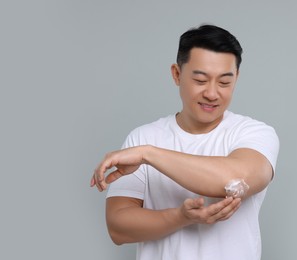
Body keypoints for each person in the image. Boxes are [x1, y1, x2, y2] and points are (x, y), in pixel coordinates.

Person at [91, 24, 279, 260]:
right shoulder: (143, 137)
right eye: (200, 80)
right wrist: (180, 217)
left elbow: (232, 180)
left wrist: (148, 155)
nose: (212, 93)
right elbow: (118, 227)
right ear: (177, 74)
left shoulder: (254, 133)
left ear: (237, 79)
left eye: (224, 82)